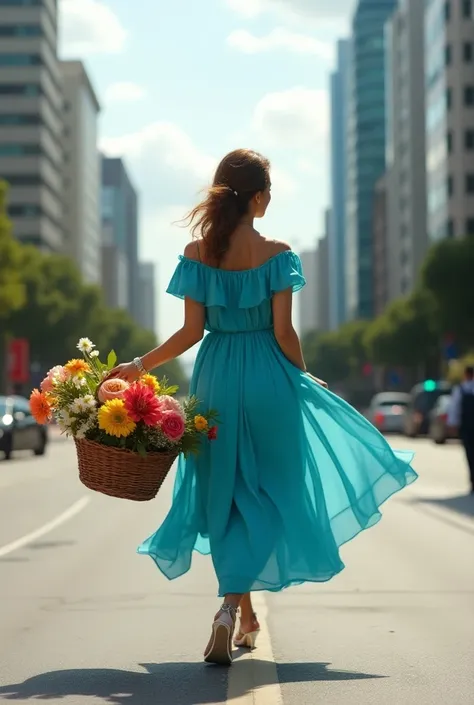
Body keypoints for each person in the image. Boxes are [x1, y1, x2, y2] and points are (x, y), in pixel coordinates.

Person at [108, 149, 417, 665]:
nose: (270, 199)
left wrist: (141, 365)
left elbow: (190, 333)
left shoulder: (197, 253)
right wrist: (302, 376)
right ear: (256, 197)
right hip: (269, 379)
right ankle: (234, 612)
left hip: (215, 382)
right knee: (272, 495)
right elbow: (283, 332)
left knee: (226, 498)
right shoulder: (277, 253)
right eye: (268, 191)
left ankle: (238, 614)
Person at [447, 365, 474, 493]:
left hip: (467, 426)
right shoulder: (461, 389)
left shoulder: (460, 390)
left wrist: (453, 424)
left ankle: (473, 481)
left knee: (470, 455)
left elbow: (454, 408)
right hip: (467, 426)